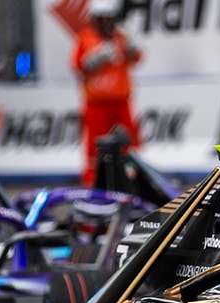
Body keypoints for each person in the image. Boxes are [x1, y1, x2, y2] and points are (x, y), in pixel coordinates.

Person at [71, 0, 142, 186]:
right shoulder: (85, 38)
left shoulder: (121, 37)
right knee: (95, 146)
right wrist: (96, 58)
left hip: (120, 102)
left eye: (108, 18)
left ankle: (133, 178)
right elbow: (77, 65)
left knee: (129, 142)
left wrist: (131, 43)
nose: (105, 23)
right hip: (96, 104)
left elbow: (137, 58)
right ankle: (93, 181)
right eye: (101, 19)